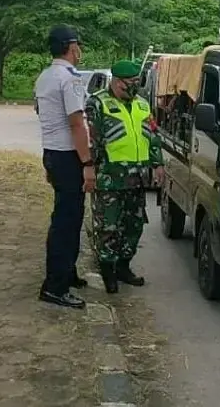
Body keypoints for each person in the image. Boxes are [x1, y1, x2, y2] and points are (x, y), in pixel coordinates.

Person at [85, 60, 165, 293]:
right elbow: (92, 140)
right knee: (108, 226)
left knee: (134, 225)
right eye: (131, 83)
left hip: (137, 178)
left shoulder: (141, 105)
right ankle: (108, 271)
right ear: (118, 82)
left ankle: (123, 266)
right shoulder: (98, 103)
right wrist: (90, 168)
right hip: (110, 178)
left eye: (136, 82)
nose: (135, 87)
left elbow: (152, 136)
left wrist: (157, 164)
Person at [34, 24, 95, 309]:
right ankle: (55, 287)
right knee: (66, 222)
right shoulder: (69, 79)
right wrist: (87, 162)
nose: (79, 50)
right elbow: (76, 123)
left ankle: (67, 274)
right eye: (78, 46)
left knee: (67, 217)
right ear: (72, 48)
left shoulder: (45, 77)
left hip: (52, 153)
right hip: (69, 156)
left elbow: (42, 114)